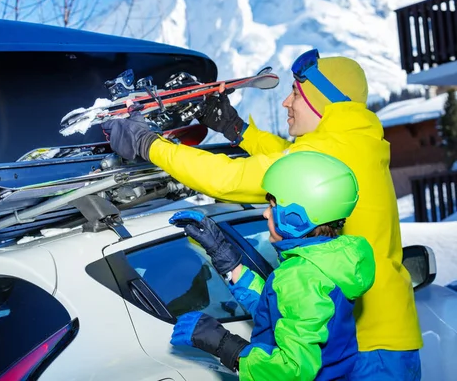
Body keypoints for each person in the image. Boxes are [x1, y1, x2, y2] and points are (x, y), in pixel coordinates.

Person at [101, 48, 422, 379]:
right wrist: (237, 129)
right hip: (381, 334)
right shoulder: (356, 142)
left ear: (319, 102)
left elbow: (230, 179)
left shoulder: (331, 152)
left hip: (366, 346)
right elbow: (289, 158)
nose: (286, 103)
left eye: (295, 94)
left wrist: (149, 144)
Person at [168, 151, 375, 380]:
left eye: (273, 205)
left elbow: (294, 369)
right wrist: (223, 255)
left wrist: (225, 345)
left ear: (295, 219)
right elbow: (277, 306)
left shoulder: (302, 276)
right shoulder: (325, 264)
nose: (266, 212)